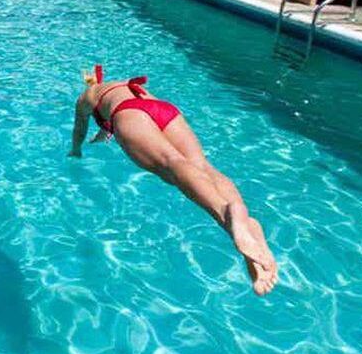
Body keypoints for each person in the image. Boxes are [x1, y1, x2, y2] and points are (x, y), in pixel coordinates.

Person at [70, 65, 278, 296]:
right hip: (163, 109)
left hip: (129, 113)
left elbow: (80, 127)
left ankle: (227, 216)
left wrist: (76, 149)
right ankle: (246, 222)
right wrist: (105, 131)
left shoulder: (86, 97)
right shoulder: (118, 85)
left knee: (172, 163)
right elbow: (110, 119)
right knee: (201, 165)